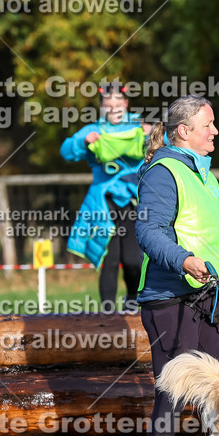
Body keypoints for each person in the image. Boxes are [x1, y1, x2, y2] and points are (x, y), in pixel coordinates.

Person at [136, 95, 219, 436]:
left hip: (210, 297)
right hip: (169, 299)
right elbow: (149, 232)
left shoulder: (206, 175)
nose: (215, 131)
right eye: (208, 125)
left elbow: (213, 244)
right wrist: (184, 261)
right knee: (172, 396)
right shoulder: (162, 173)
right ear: (184, 131)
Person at [61, 81, 147, 312]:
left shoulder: (140, 128)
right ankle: (107, 314)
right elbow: (66, 151)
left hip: (132, 203)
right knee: (108, 261)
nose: (114, 109)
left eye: (118, 104)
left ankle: (132, 302)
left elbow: (169, 143)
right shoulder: (94, 130)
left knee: (132, 260)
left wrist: (153, 134)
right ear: (101, 107)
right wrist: (82, 141)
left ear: (126, 104)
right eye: (108, 105)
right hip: (103, 205)